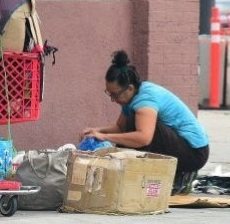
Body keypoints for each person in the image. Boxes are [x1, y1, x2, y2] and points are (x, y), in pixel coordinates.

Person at [81, 50, 209, 195]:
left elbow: (143, 138)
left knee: (138, 128)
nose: (113, 99)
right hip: (181, 145)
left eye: (115, 94)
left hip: (194, 153)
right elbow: (120, 128)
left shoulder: (145, 100)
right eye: (109, 94)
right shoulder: (131, 97)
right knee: (130, 128)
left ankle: (180, 175)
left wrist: (105, 137)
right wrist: (97, 131)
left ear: (129, 88)